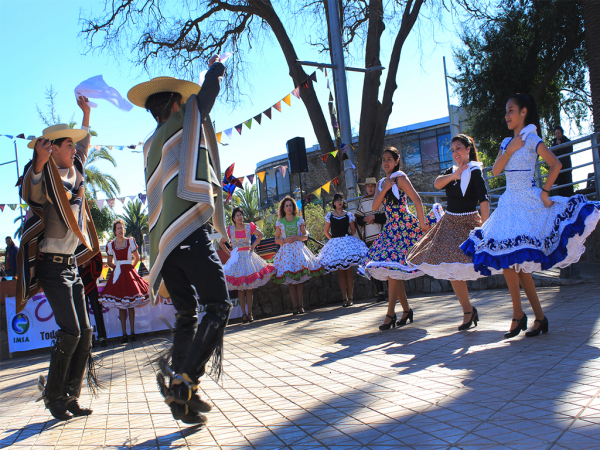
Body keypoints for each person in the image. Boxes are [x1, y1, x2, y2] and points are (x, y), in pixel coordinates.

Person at [128, 55, 231, 424]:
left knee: (187, 313)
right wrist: (216, 68)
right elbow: (204, 99)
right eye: (181, 103)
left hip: (166, 245)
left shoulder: (151, 144)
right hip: (189, 234)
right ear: (174, 104)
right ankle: (186, 380)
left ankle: (182, 394)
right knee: (218, 306)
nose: (186, 106)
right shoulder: (180, 122)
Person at [461, 94, 600, 338]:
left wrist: (546, 192)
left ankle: (520, 315)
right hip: (508, 204)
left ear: (524, 112)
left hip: (526, 203)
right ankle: (538, 317)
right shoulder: (507, 142)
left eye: (511, 110)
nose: (507, 115)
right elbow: (494, 171)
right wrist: (510, 149)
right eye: (506, 111)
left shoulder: (532, 138)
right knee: (513, 263)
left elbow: (555, 164)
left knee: (512, 262)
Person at [16, 96, 101, 420]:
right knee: (71, 331)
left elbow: (87, 144)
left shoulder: (76, 169)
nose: (74, 148)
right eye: (68, 144)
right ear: (54, 149)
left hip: (72, 267)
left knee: (86, 333)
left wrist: (86, 113)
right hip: (51, 266)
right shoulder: (48, 177)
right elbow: (31, 190)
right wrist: (39, 160)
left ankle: (70, 397)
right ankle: (54, 397)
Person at [406, 134, 490, 331]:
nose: (455, 153)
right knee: (451, 267)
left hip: (469, 223)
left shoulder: (476, 171)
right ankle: (467, 310)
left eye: (459, 148)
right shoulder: (451, 171)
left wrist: (485, 229)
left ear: (468, 149)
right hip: (449, 223)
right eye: (452, 150)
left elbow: (484, 202)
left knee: (469, 262)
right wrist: (454, 175)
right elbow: (436, 183)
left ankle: (469, 311)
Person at [361, 146, 439, 331]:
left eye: (389, 159)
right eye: (383, 159)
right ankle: (406, 310)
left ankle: (390, 314)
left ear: (397, 161)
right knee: (392, 269)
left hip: (404, 228)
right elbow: (374, 205)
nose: (386, 162)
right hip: (390, 229)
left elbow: (417, 200)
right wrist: (385, 187)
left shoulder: (401, 178)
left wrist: (421, 223)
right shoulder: (383, 182)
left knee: (393, 269)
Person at [219, 207, 275, 323]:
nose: (240, 217)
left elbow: (260, 234)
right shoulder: (230, 230)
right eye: (237, 215)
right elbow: (221, 242)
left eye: (241, 215)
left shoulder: (249, 226)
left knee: (249, 288)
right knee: (240, 288)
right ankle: (243, 314)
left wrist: (253, 245)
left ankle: (250, 313)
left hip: (249, 258)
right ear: (233, 218)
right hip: (237, 259)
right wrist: (230, 254)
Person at [99, 219, 149, 343]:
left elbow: (136, 258)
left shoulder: (130, 241)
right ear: (115, 231)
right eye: (118, 228)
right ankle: (124, 334)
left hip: (128, 273)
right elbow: (110, 262)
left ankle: (132, 333)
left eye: (122, 228)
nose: (120, 230)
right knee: (122, 306)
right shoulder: (111, 244)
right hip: (118, 275)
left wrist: (130, 268)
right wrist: (117, 268)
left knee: (130, 304)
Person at [273, 196, 324, 314]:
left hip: (298, 251)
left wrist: (296, 237)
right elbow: (276, 240)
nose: (289, 207)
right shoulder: (280, 222)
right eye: (286, 206)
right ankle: (294, 307)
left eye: (290, 205)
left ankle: (301, 306)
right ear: (283, 208)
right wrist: (285, 240)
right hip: (286, 253)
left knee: (299, 280)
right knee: (291, 280)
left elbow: (305, 236)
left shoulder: (299, 219)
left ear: (293, 207)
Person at [318, 194, 368, 307]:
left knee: (349, 271)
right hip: (335, 244)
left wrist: (347, 239)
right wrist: (333, 241)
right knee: (340, 271)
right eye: (337, 200)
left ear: (343, 201)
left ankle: (351, 297)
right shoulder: (329, 215)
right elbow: (326, 231)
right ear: (334, 203)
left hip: (347, 243)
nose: (339, 201)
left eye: (341, 199)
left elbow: (353, 229)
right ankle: (344, 298)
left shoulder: (348, 215)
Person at [355, 178, 387, 303]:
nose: (370, 188)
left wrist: (375, 217)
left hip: (381, 237)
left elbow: (386, 216)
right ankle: (380, 292)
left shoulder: (380, 198)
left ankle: (391, 289)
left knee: (385, 264)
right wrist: (365, 219)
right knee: (374, 265)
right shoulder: (362, 201)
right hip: (368, 239)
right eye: (367, 186)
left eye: (372, 186)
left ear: (376, 187)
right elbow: (357, 219)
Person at [78, 251, 108, 347]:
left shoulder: (91, 245)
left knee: (97, 310)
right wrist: (80, 265)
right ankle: (88, 340)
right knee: (83, 313)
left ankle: (102, 337)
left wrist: (90, 262)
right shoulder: (75, 246)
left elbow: (98, 258)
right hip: (79, 283)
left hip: (91, 281)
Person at [551, 125, 574, 197]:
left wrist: (561, 145)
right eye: (556, 133)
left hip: (566, 167)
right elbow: (552, 155)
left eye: (559, 133)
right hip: (558, 169)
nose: (557, 135)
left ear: (562, 133)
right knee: (560, 188)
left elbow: (570, 150)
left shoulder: (567, 141)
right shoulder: (554, 144)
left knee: (568, 186)